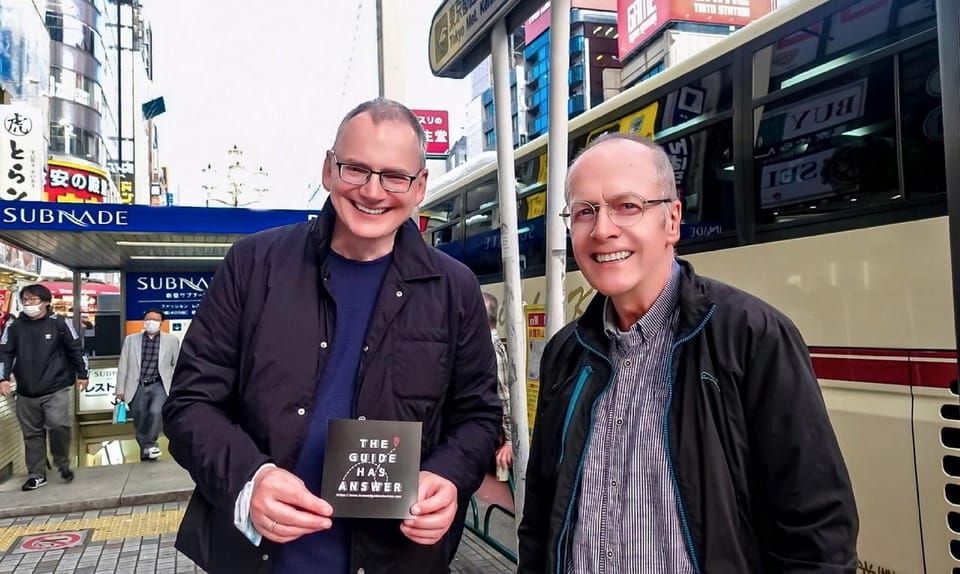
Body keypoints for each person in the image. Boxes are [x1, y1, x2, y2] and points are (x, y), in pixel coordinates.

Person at [162, 98, 502, 574]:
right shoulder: (254, 265)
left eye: (394, 176)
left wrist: (448, 476)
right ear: (328, 168)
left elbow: (479, 416)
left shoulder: (455, 288)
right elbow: (190, 404)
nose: (373, 191)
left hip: (397, 560)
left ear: (420, 185)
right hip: (260, 559)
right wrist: (248, 480)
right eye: (355, 169)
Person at [517, 134, 858, 573]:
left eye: (628, 206)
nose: (602, 229)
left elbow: (816, 531)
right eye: (585, 212)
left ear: (672, 220)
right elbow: (541, 513)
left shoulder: (751, 337)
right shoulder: (566, 351)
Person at [0, 284, 89, 491]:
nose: (29, 304)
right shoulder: (14, 327)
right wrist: (2, 378)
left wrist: (82, 375)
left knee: (58, 425)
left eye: (34, 300)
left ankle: (62, 462)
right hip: (25, 391)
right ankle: (36, 474)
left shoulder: (60, 323)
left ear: (46, 302)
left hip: (55, 388)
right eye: (26, 300)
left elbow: (77, 350)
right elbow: (4, 353)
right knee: (32, 435)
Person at [115, 308, 180, 461]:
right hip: (136, 386)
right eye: (148, 319)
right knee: (140, 418)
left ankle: (151, 444)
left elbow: (176, 364)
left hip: (159, 385)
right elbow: (123, 364)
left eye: (156, 319)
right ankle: (146, 450)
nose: (151, 322)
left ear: (161, 323)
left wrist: (177, 387)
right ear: (144, 321)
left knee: (156, 412)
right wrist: (119, 389)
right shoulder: (131, 339)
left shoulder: (171, 340)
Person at [482, 292, 513, 476]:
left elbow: (505, 395)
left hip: (495, 435)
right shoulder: (491, 344)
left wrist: (510, 441)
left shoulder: (490, 348)